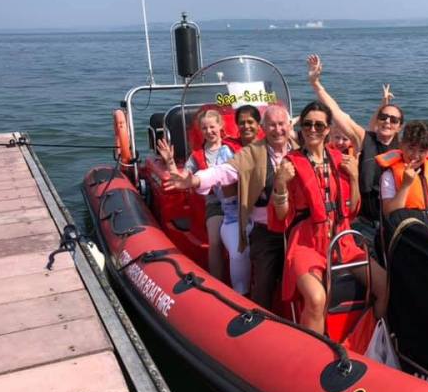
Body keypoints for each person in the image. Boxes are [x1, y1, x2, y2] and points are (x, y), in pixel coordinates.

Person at [269, 101, 388, 334]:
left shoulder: (340, 160)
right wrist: (281, 184)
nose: (312, 129)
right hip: (306, 244)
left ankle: (365, 339)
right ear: (301, 128)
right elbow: (280, 218)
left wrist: (354, 178)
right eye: (307, 124)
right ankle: (311, 354)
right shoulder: (290, 163)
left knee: (384, 285)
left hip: (342, 241)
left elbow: (352, 210)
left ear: (327, 129)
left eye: (318, 125)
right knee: (316, 298)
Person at [306, 54, 428, 226]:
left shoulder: (408, 146)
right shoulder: (363, 139)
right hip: (368, 221)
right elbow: (337, 113)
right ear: (378, 119)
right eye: (383, 117)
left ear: (400, 127)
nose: (387, 121)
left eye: (393, 120)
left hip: (398, 222)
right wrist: (316, 84)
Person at [165, 104, 294, 309]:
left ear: (289, 125)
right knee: (260, 276)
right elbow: (223, 171)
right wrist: (193, 181)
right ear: (264, 127)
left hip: (295, 226)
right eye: (271, 125)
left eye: (281, 124)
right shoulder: (250, 153)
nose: (277, 130)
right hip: (260, 225)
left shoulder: (298, 148)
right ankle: (242, 301)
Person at [157, 109, 231, 281]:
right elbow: (181, 178)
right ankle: (217, 281)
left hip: (239, 199)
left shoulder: (232, 147)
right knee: (215, 240)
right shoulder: (196, 156)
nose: (209, 131)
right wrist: (170, 161)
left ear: (220, 126)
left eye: (212, 127)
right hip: (216, 203)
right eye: (204, 128)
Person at [377, 120, 428, 228]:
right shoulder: (389, 175)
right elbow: (389, 213)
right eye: (411, 148)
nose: (415, 155)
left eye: (422, 151)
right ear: (401, 145)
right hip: (408, 232)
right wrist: (405, 185)